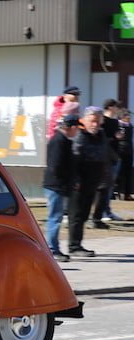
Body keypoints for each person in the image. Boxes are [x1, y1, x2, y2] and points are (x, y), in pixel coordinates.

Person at [68, 107, 107, 257]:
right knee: (76, 214)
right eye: (92, 121)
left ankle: (78, 243)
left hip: (93, 180)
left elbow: (103, 156)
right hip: (79, 181)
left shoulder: (101, 135)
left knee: (84, 214)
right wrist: (76, 179)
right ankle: (74, 246)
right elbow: (74, 159)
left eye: (98, 121)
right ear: (84, 120)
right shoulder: (80, 135)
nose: (95, 124)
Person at [43, 113, 80, 262]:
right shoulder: (58, 141)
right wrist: (66, 183)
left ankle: (54, 248)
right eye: (77, 127)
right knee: (55, 218)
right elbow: (55, 167)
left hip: (59, 185)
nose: (77, 131)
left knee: (56, 217)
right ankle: (52, 250)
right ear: (71, 127)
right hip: (55, 186)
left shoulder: (64, 140)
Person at [92, 98, 122, 225]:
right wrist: (114, 138)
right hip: (104, 158)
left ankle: (107, 210)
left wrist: (118, 138)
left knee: (110, 186)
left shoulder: (115, 122)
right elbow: (101, 139)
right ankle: (101, 212)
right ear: (110, 107)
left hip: (115, 156)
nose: (117, 109)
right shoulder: (102, 121)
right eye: (116, 107)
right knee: (103, 187)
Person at [118, 108, 133, 201]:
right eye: (127, 115)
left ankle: (127, 193)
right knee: (120, 173)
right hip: (120, 151)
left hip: (129, 151)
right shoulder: (118, 125)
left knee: (128, 173)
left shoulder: (130, 126)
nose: (129, 117)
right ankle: (119, 192)